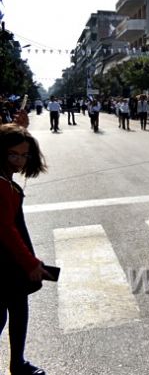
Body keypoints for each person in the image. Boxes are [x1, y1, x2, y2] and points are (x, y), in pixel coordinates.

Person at [1, 123, 51, 375]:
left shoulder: (5, 178)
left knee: (19, 311)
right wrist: (30, 262)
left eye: (24, 155)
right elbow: (5, 230)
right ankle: (17, 365)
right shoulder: (0, 183)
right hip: (4, 264)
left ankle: (17, 363)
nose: (19, 160)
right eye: (13, 154)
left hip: (12, 263)